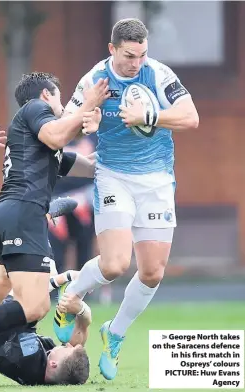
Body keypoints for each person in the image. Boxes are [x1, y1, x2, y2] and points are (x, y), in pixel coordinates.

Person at [56, 18, 199, 380]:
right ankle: (70, 295)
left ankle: (114, 332)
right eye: (129, 55)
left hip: (157, 181)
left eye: (142, 54)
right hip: (114, 176)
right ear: (112, 50)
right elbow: (67, 121)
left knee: (152, 272)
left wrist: (148, 115)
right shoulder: (94, 79)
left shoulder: (159, 74)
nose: (136, 62)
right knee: (115, 264)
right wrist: (86, 117)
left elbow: (191, 117)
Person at [0, 71, 108, 359]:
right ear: (46, 95)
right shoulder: (35, 109)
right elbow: (56, 135)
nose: (62, 104)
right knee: (35, 306)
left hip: (11, 213)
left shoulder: (37, 143)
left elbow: (87, 166)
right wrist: (86, 105)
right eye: (59, 97)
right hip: (22, 213)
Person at [0, 271, 91, 387]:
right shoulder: (41, 369)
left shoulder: (32, 356)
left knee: (30, 301)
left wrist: (64, 278)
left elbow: (23, 308)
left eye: (67, 349)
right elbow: (78, 340)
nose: (68, 344)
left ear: (54, 364)